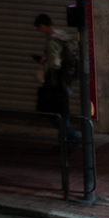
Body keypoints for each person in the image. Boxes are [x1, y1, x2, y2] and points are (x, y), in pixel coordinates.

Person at [30, 14, 80, 145]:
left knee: (56, 114)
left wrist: (43, 63)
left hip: (57, 83)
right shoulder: (61, 35)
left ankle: (71, 137)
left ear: (43, 25)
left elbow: (55, 65)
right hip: (66, 80)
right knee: (61, 112)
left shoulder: (52, 41)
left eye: (39, 28)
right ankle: (65, 141)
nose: (39, 31)